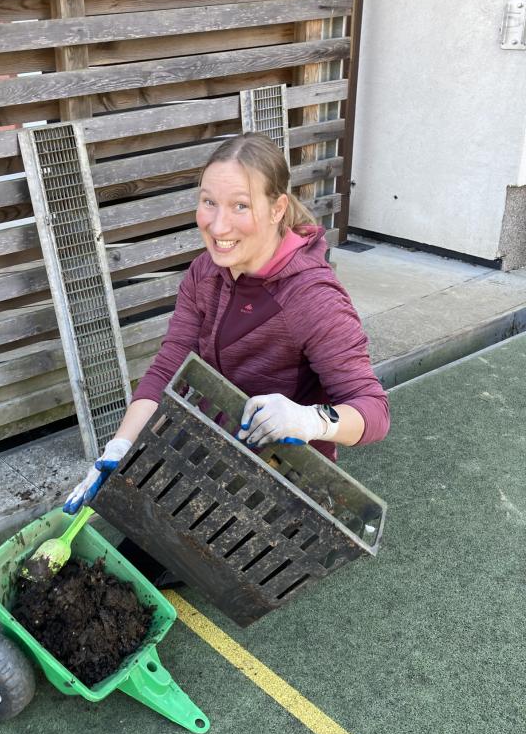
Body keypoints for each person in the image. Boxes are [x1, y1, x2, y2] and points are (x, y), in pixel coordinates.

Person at [64, 131, 390, 514]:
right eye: (209, 202)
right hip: (212, 455)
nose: (218, 227)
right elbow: (167, 370)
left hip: (285, 481)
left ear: (277, 209)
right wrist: (120, 447)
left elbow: (374, 411)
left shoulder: (312, 298)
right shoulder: (204, 273)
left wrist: (311, 420)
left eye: (240, 206)